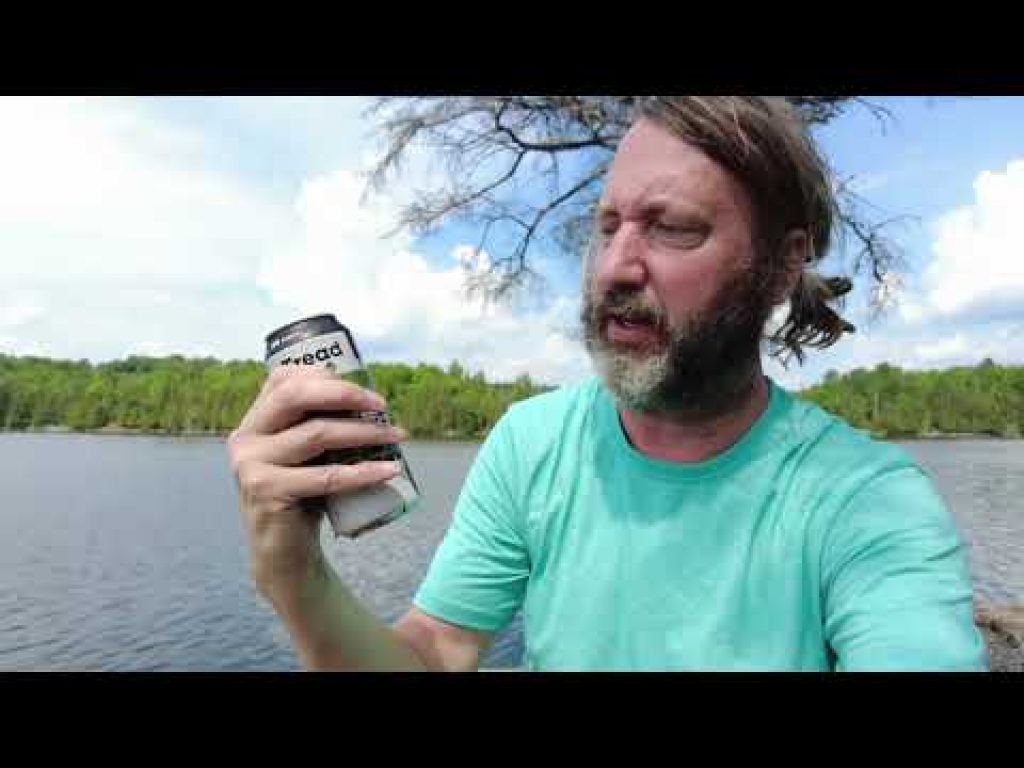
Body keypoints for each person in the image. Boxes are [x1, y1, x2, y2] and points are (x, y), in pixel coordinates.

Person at [227, 97, 987, 671]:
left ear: (784, 264)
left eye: (673, 227)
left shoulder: (869, 501)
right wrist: (294, 577)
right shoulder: (534, 444)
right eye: (608, 224)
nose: (617, 266)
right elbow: (437, 651)